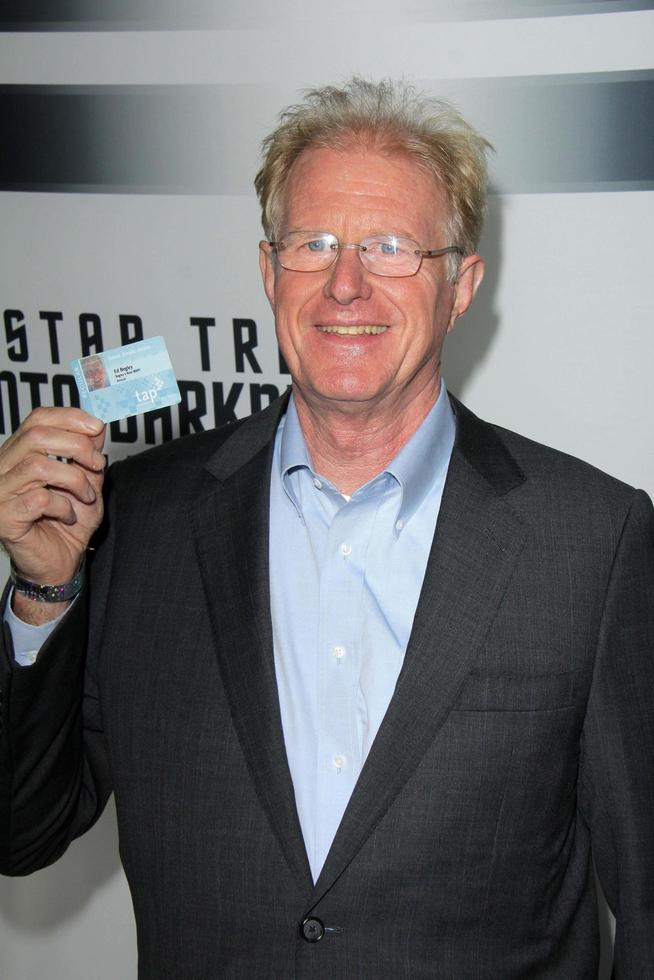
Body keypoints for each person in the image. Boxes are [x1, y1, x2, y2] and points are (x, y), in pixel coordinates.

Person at [0, 78, 652, 979]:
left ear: (460, 285)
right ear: (269, 273)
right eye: (314, 244)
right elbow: (20, 830)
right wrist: (44, 590)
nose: (347, 284)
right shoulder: (134, 520)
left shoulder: (593, 540)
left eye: (390, 247)